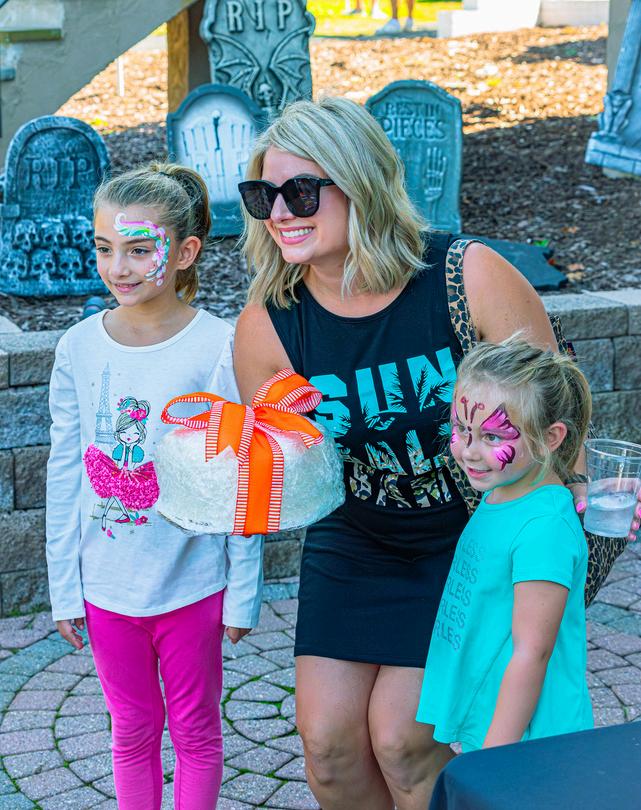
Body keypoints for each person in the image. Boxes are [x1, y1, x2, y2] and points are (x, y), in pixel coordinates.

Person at [233, 96, 561, 810]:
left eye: (300, 192)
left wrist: (566, 533)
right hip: (354, 538)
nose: (279, 213)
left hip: (468, 538)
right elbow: (280, 472)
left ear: (360, 183)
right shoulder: (269, 324)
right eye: (262, 195)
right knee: (327, 749)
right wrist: (229, 464)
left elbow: (554, 408)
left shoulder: (464, 275)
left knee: (403, 741)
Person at [46, 162, 264, 810]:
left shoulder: (219, 347)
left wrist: (242, 593)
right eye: (105, 248)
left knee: (195, 731)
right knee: (131, 729)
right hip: (107, 590)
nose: (119, 267)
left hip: (193, 585)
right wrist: (64, 587)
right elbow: (65, 472)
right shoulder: (78, 348)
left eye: (140, 250)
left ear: (185, 251)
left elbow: (241, 473)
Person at [416, 337, 594, 751]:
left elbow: (532, 653)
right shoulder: (504, 490)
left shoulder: (544, 528)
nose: (469, 451)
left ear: (551, 437)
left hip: (530, 743)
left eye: (493, 437)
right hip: (501, 725)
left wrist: (495, 757)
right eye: (462, 429)